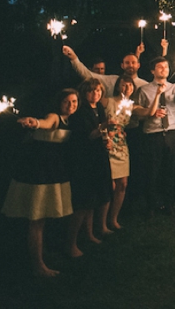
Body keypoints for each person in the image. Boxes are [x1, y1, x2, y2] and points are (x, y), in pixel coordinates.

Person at [2, 89, 78, 277]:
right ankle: (38, 265)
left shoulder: (71, 120)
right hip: (38, 172)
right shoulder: (54, 116)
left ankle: (40, 255)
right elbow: (45, 123)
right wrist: (35, 122)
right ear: (59, 103)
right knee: (37, 218)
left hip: (53, 171)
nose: (71, 106)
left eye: (75, 102)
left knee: (43, 217)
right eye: (67, 102)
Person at [136, 57, 175, 215]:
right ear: (152, 71)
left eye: (166, 67)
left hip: (171, 132)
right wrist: (151, 114)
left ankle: (169, 204)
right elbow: (139, 114)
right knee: (152, 171)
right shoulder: (145, 89)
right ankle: (151, 206)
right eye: (160, 67)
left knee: (170, 170)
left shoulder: (174, 87)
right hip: (153, 134)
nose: (164, 69)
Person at [67, 79, 112, 257]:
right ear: (84, 93)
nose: (96, 94)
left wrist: (107, 139)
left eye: (99, 91)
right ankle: (70, 243)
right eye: (92, 91)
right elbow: (88, 135)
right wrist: (104, 127)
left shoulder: (99, 108)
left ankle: (90, 233)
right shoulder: (80, 112)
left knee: (94, 198)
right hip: (84, 160)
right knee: (83, 201)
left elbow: (101, 133)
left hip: (99, 157)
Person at [101, 74, 139, 229]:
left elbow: (147, 112)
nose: (127, 88)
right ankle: (101, 223)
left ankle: (114, 218)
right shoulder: (108, 101)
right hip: (107, 143)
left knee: (122, 183)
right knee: (109, 185)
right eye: (124, 85)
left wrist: (157, 95)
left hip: (121, 144)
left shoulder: (130, 105)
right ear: (118, 86)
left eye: (130, 86)